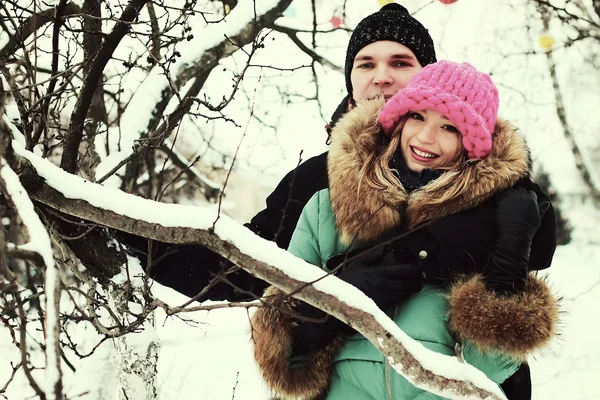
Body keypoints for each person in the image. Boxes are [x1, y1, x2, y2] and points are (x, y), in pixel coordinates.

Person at [117, 4, 552, 398]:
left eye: (400, 62)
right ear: (351, 80)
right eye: (366, 63)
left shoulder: (493, 183)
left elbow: (531, 241)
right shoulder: (317, 184)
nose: (381, 75)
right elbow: (245, 266)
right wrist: (131, 232)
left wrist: (426, 249)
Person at [250, 60, 559, 399]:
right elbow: (281, 353)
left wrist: (507, 268)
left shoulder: (486, 224)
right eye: (418, 116)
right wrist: (336, 300)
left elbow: (488, 373)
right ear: (398, 119)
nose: (426, 137)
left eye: (450, 128)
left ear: (470, 146)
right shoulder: (326, 208)